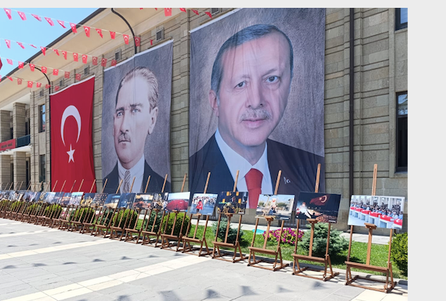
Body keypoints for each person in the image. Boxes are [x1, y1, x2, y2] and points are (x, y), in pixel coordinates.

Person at [190, 24, 325, 208]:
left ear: (290, 85)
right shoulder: (190, 172)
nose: (255, 100)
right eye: (240, 84)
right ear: (215, 102)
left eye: (272, 79)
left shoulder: (312, 168)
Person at [103, 67, 168, 194]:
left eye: (135, 110)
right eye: (120, 113)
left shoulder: (163, 188)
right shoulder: (103, 186)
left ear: (152, 119)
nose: (123, 127)